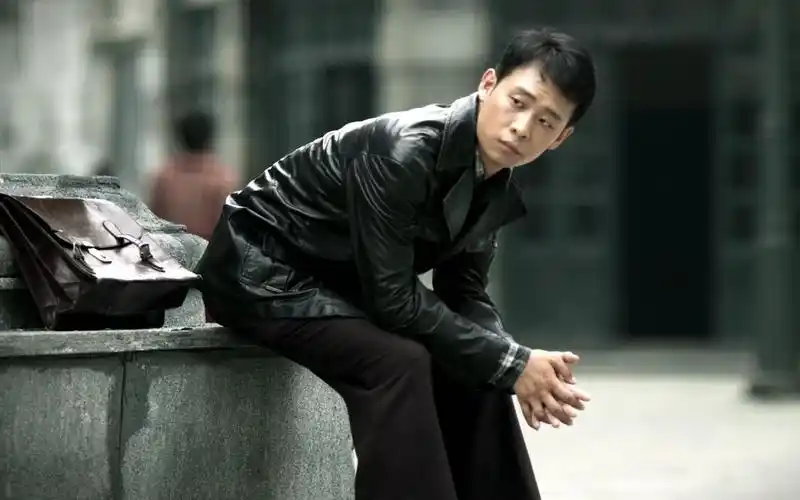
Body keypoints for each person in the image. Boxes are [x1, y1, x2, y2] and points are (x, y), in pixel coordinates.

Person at [197, 28, 596, 500]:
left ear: (561, 138)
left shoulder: (493, 180)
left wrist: (512, 361)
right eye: (517, 102)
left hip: (339, 280)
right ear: (488, 84)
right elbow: (393, 302)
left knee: (476, 365)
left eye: (546, 121)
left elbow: (464, 291)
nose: (522, 128)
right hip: (258, 271)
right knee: (398, 362)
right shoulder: (402, 151)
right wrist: (510, 363)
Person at [148, 110, 239, 241]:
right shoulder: (222, 179)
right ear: (209, 138)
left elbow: (154, 223)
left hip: (173, 249)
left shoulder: (165, 178)